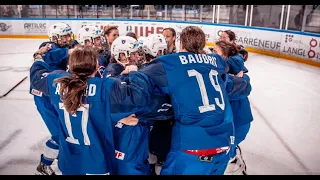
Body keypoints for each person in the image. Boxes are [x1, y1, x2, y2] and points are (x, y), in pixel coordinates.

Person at [135, 26, 252, 175]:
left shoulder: (170, 63)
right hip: (223, 147)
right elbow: (240, 86)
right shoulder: (216, 62)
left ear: (181, 43)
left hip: (191, 147)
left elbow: (141, 80)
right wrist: (245, 80)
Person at [29, 45, 154, 175]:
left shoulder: (56, 81)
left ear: (71, 65)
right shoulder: (105, 86)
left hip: (69, 162)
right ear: (96, 65)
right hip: (96, 162)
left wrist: (38, 58)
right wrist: (135, 72)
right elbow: (140, 97)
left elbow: (36, 77)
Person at [111, 33, 174, 175]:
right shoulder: (115, 73)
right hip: (128, 130)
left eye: (138, 53)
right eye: (134, 54)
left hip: (140, 127)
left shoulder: (137, 71)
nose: (139, 56)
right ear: (122, 55)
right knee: (131, 165)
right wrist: (118, 118)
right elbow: (103, 104)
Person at [30, 22, 74, 175]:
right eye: (65, 36)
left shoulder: (67, 46)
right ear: (55, 37)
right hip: (43, 96)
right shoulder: (48, 45)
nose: (68, 38)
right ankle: (44, 166)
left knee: (65, 130)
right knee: (59, 133)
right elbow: (51, 54)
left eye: (69, 35)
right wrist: (70, 51)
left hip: (55, 94)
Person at [218, 31, 254, 175]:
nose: (211, 56)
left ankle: (233, 163)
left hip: (237, 123)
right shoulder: (232, 72)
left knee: (225, 156)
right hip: (235, 123)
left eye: (215, 52)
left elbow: (243, 84)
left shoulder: (234, 69)